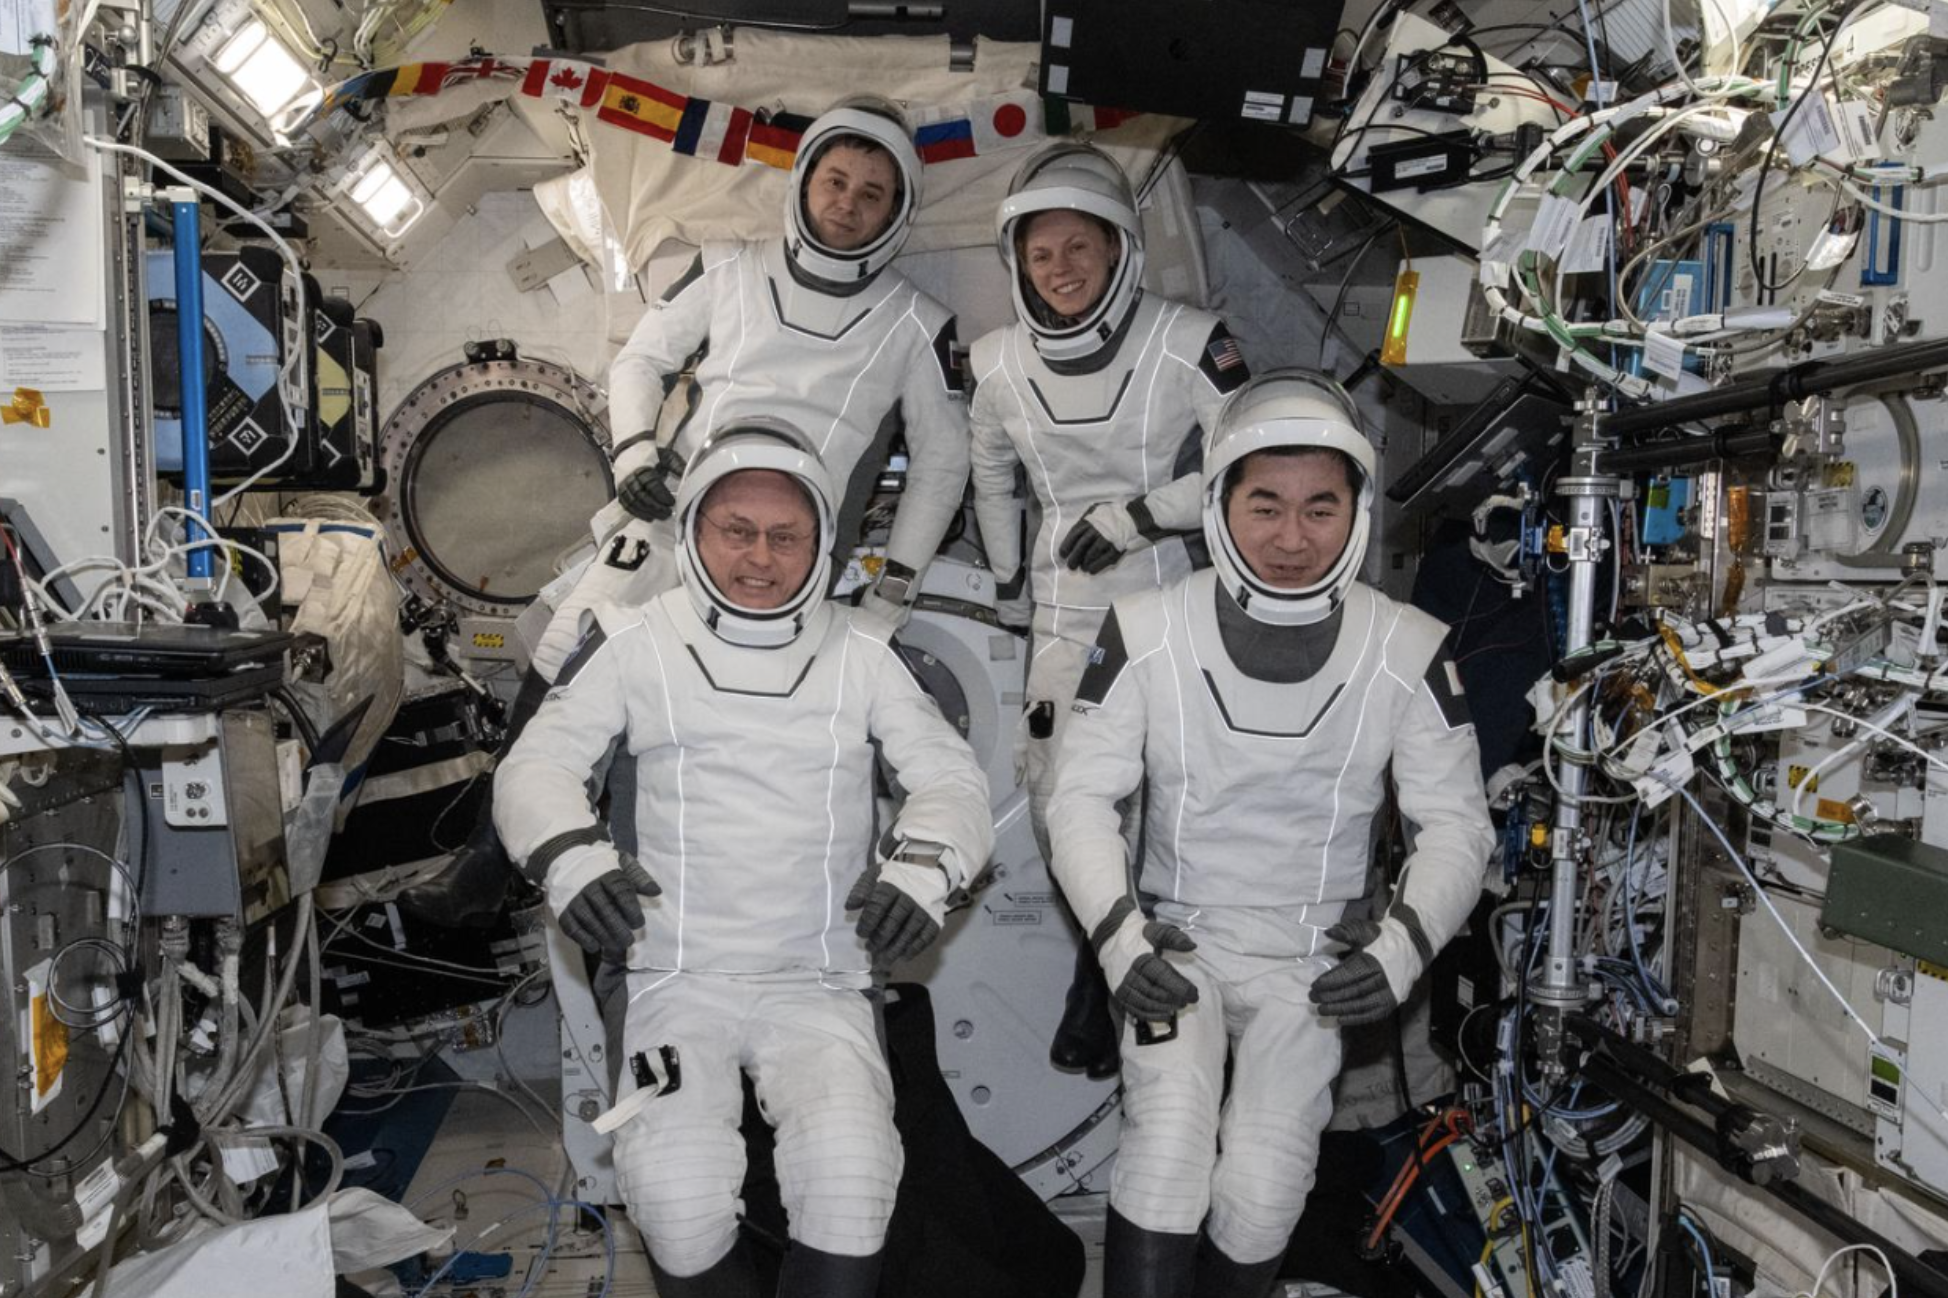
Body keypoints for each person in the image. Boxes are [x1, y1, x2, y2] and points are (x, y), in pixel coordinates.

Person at [404, 98, 969, 926]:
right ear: (805, 182)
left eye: (872, 193)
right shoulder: (729, 268)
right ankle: (494, 861)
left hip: (785, 560)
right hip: (674, 519)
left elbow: (944, 461)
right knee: (566, 653)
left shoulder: (916, 325)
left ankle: (731, 907)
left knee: (742, 721)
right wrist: (635, 456)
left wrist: (893, 592)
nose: (847, 204)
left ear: (896, 212)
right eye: (836, 181)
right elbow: (641, 361)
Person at [494, 420, 993, 1298]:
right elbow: (536, 766)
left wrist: (924, 870)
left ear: (821, 545)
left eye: (785, 537)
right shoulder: (634, 640)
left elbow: (951, 778)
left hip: (820, 978)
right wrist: (571, 862)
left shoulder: (864, 653)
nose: (760, 558)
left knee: (851, 1183)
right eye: (737, 531)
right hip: (672, 976)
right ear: (694, 530)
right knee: (675, 1193)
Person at [1046, 370, 1495, 1298]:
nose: (1292, 539)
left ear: (1357, 511)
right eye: (1266, 507)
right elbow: (1079, 799)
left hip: (1314, 959)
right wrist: (1120, 938)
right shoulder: (1145, 629)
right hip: (1177, 944)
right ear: (1220, 505)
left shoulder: (1407, 645)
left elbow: (1456, 825)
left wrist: (1402, 947)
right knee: (1167, 1153)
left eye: (1320, 508)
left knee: (1262, 1186)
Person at [966, 142, 1251, 1077]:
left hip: (1168, 601)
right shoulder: (998, 362)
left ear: (1121, 247)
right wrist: (1008, 580)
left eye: (1078, 248)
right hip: (1063, 615)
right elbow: (990, 470)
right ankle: (1105, 958)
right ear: (1018, 265)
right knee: (1060, 796)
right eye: (1041, 255)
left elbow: (1249, 460)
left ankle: (1150, 978)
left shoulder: (1189, 341)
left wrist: (1140, 516)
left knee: (1167, 795)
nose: (1061, 270)